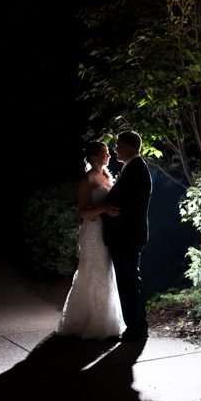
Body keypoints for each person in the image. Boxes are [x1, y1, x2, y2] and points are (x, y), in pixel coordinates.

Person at [57, 142, 126, 340]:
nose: (109, 156)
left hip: (107, 230)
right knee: (92, 272)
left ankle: (107, 320)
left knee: (106, 272)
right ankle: (88, 321)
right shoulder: (87, 179)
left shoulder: (106, 176)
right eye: (105, 153)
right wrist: (103, 209)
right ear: (95, 157)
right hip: (93, 232)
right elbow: (83, 211)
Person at [103, 131, 152, 341]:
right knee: (128, 280)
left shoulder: (136, 169)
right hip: (127, 235)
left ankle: (137, 328)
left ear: (130, 146)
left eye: (118, 145)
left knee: (129, 281)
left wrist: (103, 209)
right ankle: (136, 325)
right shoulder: (132, 167)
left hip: (127, 236)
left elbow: (124, 205)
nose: (115, 149)